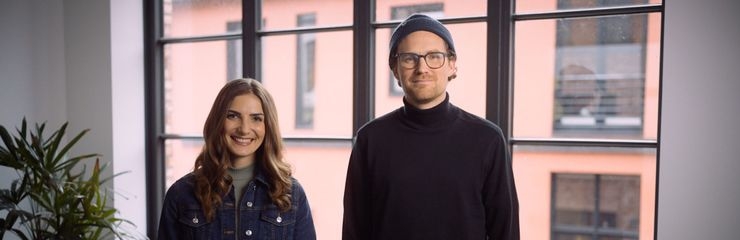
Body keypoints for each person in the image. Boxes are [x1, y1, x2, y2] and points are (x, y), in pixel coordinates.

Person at [342, 13, 520, 240]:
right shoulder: (369, 140)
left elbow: (505, 232)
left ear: (452, 65)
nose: (422, 68)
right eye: (409, 58)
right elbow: (354, 232)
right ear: (395, 69)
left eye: (434, 56)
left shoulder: (488, 139)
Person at [159, 78, 316, 240]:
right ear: (218, 121)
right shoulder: (181, 194)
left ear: (268, 126)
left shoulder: (292, 194)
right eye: (233, 116)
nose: (244, 129)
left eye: (256, 118)